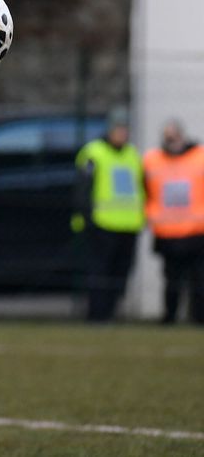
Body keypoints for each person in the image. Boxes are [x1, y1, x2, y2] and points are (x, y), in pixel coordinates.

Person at [73, 106, 146, 322]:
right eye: (118, 129)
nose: (122, 133)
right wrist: (84, 219)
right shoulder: (94, 152)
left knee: (120, 275)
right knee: (100, 273)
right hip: (102, 225)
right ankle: (97, 316)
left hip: (129, 225)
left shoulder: (132, 154)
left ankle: (111, 314)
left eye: (125, 129)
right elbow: (83, 190)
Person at [142, 119, 204, 324]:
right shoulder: (153, 160)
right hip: (167, 232)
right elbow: (144, 191)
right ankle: (169, 317)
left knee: (198, 280)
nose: (172, 141)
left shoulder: (199, 157)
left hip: (196, 231)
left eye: (175, 136)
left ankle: (198, 318)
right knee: (172, 281)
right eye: (168, 137)